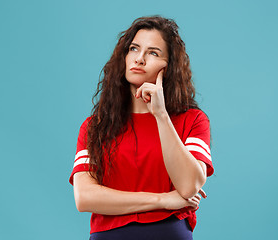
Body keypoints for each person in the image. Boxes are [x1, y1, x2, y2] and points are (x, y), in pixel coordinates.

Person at [69, 16, 214, 240]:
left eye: (153, 52)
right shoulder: (95, 127)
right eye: (134, 48)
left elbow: (188, 187)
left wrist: (161, 115)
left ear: (169, 67)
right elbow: (85, 197)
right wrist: (163, 200)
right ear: (124, 56)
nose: (140, 58)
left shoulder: (193, 120)